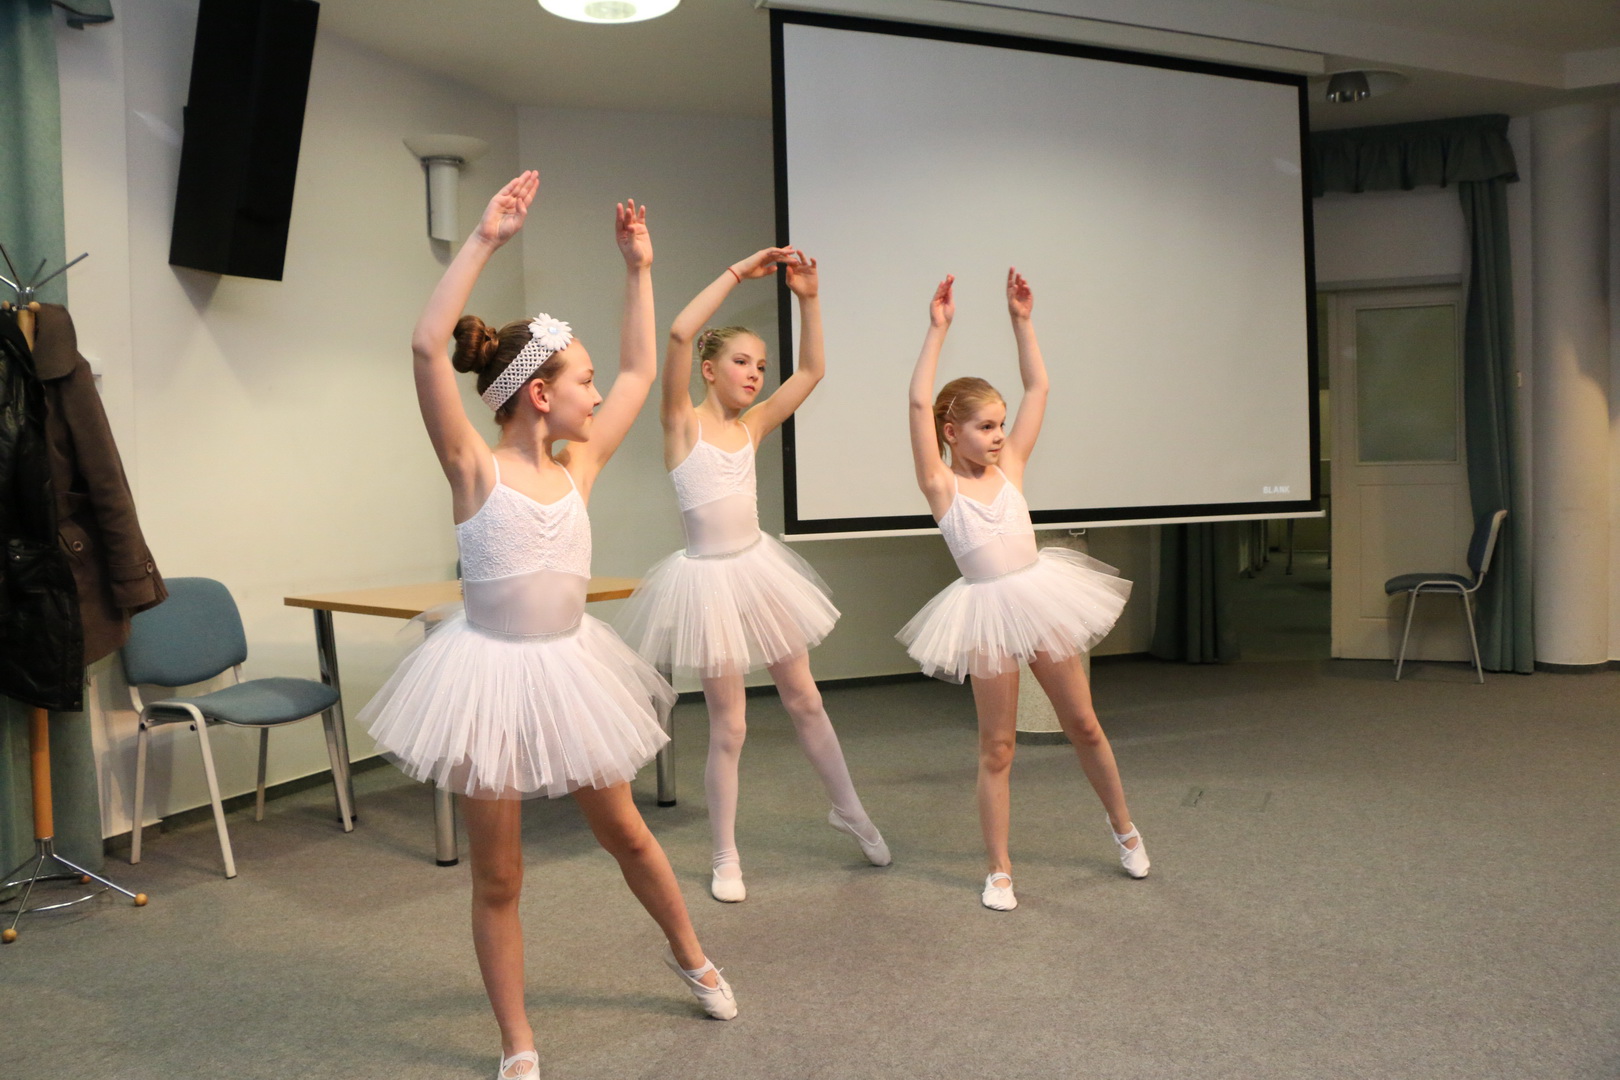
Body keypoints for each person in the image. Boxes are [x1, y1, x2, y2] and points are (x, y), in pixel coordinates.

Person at [359, 173, 736, 1080]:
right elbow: (424, 347)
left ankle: (691, 954)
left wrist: (639, 271)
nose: (596, 395)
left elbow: (641, 371)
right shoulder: (472, 469)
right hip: (487, 676)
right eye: (582, 382)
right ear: (537, 393)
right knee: (500, 877)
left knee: (628, 834)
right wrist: (485, 240)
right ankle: (518, 1040)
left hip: (571, 671)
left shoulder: (581, 464)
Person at [618, 247, 889, 903]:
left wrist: (809, 299)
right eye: (742, 362)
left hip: (759, 572)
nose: (755, 375)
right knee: (731, 726)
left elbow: (813, 370)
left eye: (761, 366)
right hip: (709, 583)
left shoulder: (754, 426)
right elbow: (678, 332)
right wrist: (739, 272)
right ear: (709, 369)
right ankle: (725, 854)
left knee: (806, 700)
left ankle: (849, 810)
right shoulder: (680, 424)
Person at [899, 269, 1147, 912]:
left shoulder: (1010, 467)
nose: (999, 436)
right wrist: (937, 330)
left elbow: (1039, 387)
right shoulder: (941, 486)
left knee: (1083, 723)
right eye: (985, 426)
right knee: (999, 746)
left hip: (1039, 598)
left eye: (1001, 424)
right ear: (951, 433)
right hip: (985, 611)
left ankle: (1125, 828)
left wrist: (1022, 321)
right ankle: (999, 869)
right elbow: (919, 404)